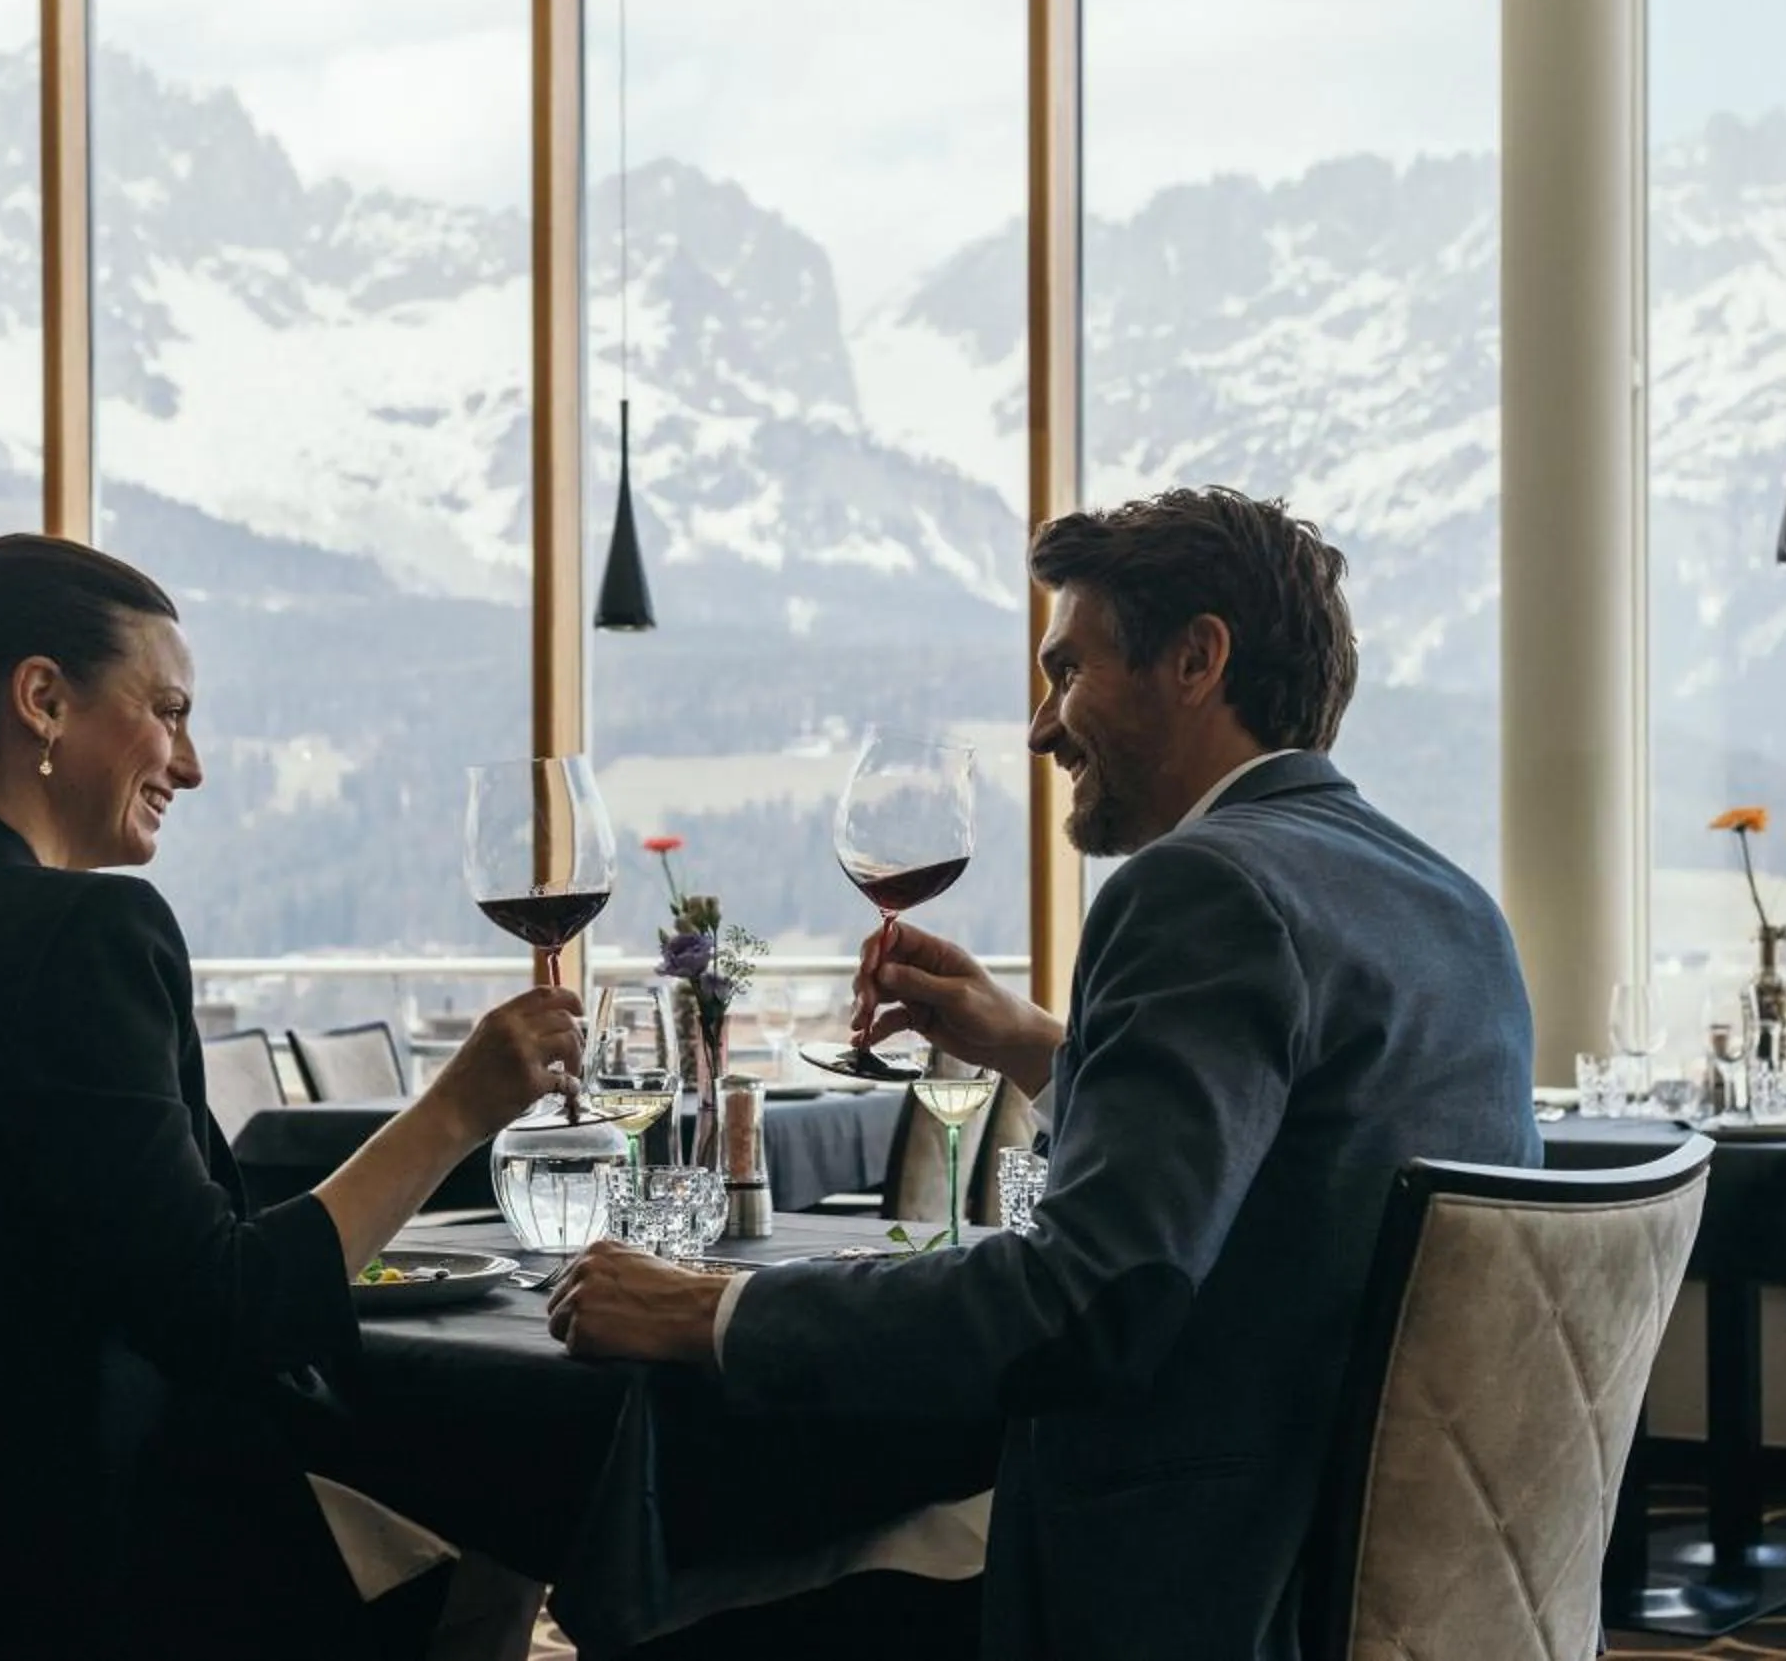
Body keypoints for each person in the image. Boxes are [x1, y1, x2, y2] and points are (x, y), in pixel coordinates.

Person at [545, 487, 1541, 1661]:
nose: (1041, 728)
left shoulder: (1200, 887)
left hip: (1184, 1590)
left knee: (678, 1602)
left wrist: (713, 1307)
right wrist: (1031, 1045)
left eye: (1067, 671)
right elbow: (1288, 1176)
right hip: (1390, 1575)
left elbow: (1088, 1302)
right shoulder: (1450, 905)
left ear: (1196, 659)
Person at [0, 534, 582, 1660]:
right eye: (167, 710)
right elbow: (229, 1313)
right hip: (91, 1583)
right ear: (43, 699)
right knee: (513, 1516)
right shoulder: (88, 937)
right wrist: (459, 1108)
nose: (192, 760)